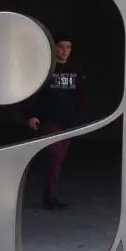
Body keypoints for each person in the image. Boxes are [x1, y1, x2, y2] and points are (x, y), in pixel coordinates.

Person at [26, 37, 86, 210]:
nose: (65, 51)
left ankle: (49, 195)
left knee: (57, 161)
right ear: (54, 48)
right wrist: (31, 115)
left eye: (68, 47)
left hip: (68, 122)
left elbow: (81, 96)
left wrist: (79, 118)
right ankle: (50, 197)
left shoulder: (76, 70)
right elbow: (32, 93)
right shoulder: (45, 69)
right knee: (55, 157)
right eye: (61, 47)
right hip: (49, 120)